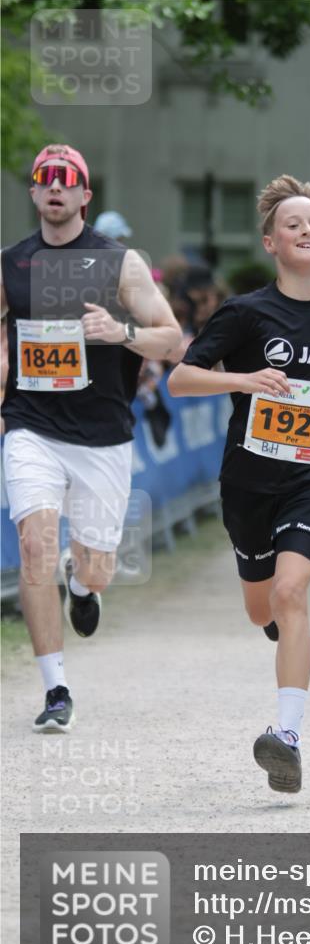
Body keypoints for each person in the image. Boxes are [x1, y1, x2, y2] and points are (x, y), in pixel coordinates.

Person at [167, 174, 310, 794]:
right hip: (248, 484)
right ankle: (275, 622)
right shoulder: (244, 313)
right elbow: (180, 379)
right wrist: (245, 380)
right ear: (271, 241)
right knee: (261, 607)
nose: (307, 231)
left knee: (291, 594)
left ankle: (285, 738)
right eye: (294, 224)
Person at [1, 144, 182, 733]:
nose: (55, 187)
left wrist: (119, 330)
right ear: (33, 194)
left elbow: (173, 340)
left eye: (67, 179)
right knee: (34, 547)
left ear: (85, 195)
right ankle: (56, 688)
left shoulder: (120, 264)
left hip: (103, 435)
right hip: (32, 425)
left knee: (98, 567)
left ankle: (84, 584)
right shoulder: (10, 265)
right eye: (44, 178)